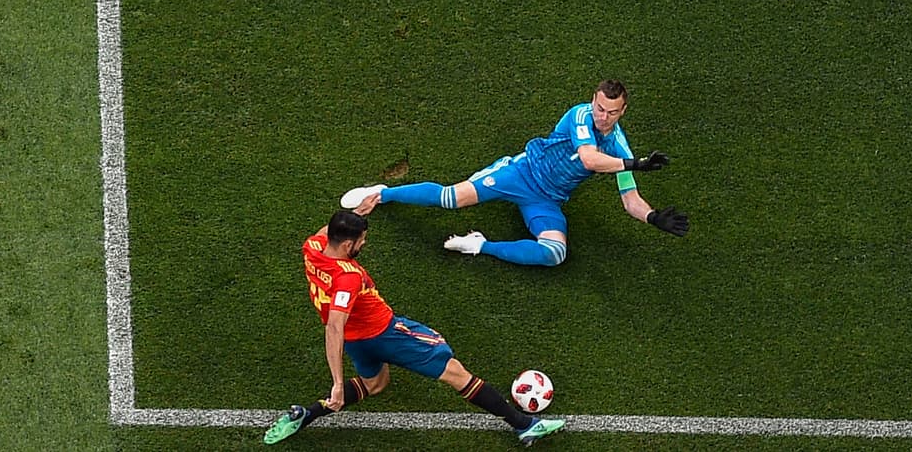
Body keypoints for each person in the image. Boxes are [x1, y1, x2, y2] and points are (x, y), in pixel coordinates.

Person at [263, 210, 565, 446]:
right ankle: (525, 426)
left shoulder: (313, 247)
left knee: (376, 384)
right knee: (455, 371)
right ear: (346, 244)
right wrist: (337, 382)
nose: (364, 244)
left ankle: (306, 414)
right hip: (386, 334)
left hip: (358, 341)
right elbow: (333, 328)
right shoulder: (348, 277)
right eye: (360, 241)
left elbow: (329, 232)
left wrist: (360, 210)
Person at [339, 79, 689, 268]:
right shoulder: (580, 116)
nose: (602, 116)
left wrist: (653, 217)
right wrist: (635, 164)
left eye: (611, 112)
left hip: (548, 199)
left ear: (623, 111)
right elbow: (587, 159)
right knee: (452, 198)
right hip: (521, 172)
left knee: (554, 253)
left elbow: (630, 200)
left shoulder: (621, 149)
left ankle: (480, 245)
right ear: (592, 101)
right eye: (599, 107)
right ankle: (382, 193)